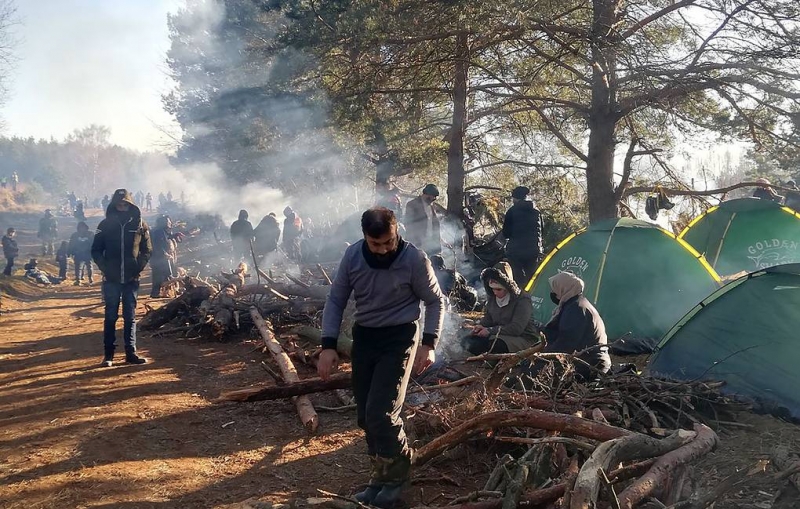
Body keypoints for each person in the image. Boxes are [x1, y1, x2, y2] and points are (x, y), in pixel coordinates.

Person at [317, 207, 445, 508]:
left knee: (382, 413)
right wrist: (328, 345)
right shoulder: (352, 257)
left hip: (400, 338)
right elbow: (336, 299)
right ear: (365, 236)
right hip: (365, 337)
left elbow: (435, 301)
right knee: (365, 415)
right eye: (376, 244)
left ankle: (397, 478)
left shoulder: (414, 259)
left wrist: (429, 343)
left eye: (389, 241)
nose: (384, 249)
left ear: (396, 230)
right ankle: (380, 476)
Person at [91, 188, 152, 367]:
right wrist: (105, 268)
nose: (122, 207)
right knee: (110, 316)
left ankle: (131, 353)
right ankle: (108, 355)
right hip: (111, 279)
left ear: (130, 205)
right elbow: (95, 250)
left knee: (130, 317)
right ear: (113, 205)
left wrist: (138, 267)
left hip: (132, 279)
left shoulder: (140, 225)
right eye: (119, 204)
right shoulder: (104, 225)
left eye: (125, 204)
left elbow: (147, 250)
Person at [540, 271, 611, 380]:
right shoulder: (573, 304)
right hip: (585, 360)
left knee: (534, 371)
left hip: (590, 364)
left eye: (554, 289)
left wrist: (543, 355)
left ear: (563, 289)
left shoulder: (576, 309)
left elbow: (566, 343)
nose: (552, 293)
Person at [461, 262, 539, 355]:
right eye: (492, 289)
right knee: (468, 341)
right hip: (498, 334)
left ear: (507, 287)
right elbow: (488, 318)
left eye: (498, 289)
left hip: (522, 338)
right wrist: (480, 326)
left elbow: (516, 328)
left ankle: (495, 358)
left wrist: (489, 330)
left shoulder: (522, 300)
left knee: (494, 345)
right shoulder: (492, 298)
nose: (495, 292)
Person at [502, 186, 543, 289]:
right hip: (533, 250)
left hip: (516, 251)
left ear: (515, 198)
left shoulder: (511, 211)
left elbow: (506, 233)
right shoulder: (536, 211)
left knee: (518, 279)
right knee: (532, 278)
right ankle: (533, 295)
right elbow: (542, 230)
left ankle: (520, 295)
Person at [150, 215, 184, 297]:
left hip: (163, 257)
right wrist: (164, 254)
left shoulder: (162, 231)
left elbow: (166, 237)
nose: (170, 223)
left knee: (167, 274)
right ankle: (156, 293)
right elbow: (157, 244)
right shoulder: (158, 232)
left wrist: (175, 235)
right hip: (159, 257)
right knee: (161, 275)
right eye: (168, 221)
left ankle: (170, 291)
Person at [404, 184, 441, 255]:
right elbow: (408, 224)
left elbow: (434, 224)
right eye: (432, 196)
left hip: (430, 243)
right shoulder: (412, 204)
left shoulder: (433, 206)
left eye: (435, 197)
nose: (434, 198)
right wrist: (416, 241)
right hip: (417, 244)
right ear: (426, 194)